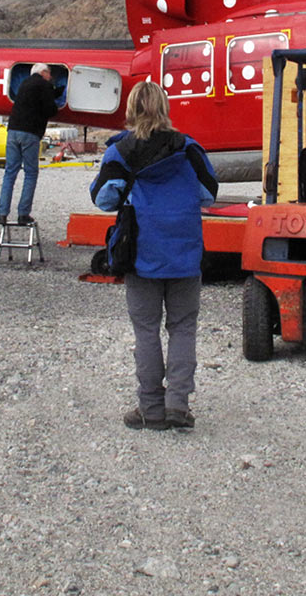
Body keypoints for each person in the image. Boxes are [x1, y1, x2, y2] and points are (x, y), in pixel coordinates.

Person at [90, 81, 218, 432]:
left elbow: (103, 198)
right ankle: (178, 404)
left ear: (132, 109)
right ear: (165, 108)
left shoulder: (121, 151)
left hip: (141, 252)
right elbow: (208, 194)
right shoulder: (189, 148)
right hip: (184, 252)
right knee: (183, 327)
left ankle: (150, 408)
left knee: (146, 330)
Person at [0, 64, 57, 226]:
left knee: (10, 172)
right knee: (30, 173)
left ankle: (2, 213)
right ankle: (23, 213)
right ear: (43, 72)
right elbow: (50, 109)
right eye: (49, 73)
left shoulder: (24, 83)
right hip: (30, 132)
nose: (50, 76)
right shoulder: (44, 85)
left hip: (13, 130)